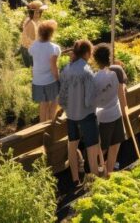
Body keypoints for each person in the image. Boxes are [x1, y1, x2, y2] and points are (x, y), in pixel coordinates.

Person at [59, 40, 103, 184]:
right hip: (87, 115)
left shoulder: (66, 69)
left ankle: (75, 180)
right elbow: (89, 99)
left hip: (71, 115)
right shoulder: (87, 71)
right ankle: (95, 179)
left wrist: (68, 108)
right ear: (86, 53)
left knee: (72, 146)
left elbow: (62, 97)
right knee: (91, 148)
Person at [91, 43, 128, 178]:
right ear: (109, 57)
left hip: (102, 117)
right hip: (116, 113)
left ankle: (100, 172)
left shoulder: (95, 78)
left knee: (103, 148)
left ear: (95, 60)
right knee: (115, 145)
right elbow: (121, 90)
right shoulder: (116, 71)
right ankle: (110, 172)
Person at [29, 20, 61, 123]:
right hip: (50, 80)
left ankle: (42, 127)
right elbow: (53, 66)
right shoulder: (54, 48)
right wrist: (58, 79)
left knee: (43, 104)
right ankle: (51, 126)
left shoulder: (33, 46)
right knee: (55, 101)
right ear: (51, 33)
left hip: (37, 80)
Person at [19, 0, 46, 68]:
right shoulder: (31, 24)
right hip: (28, 50)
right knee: (32, 71)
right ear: (36, 12)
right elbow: (34, 42)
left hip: (28, 48)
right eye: (40, 11)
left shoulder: (33, 20)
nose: (42, 13)